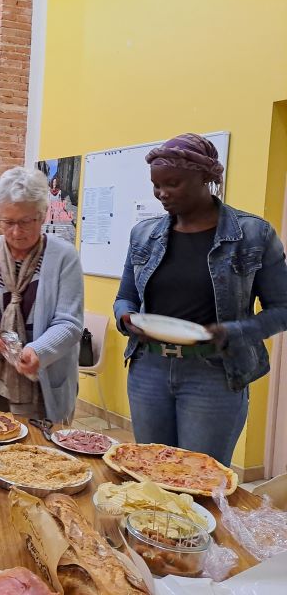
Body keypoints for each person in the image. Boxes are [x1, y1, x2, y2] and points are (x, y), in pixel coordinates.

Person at [114, 133, 287, 466]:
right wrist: (127, 318)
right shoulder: (144, 235)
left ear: (206, 177)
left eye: (173, 183)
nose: (162, 193)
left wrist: (233, 331)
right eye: (156, 185)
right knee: (149, 472)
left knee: (199, 476)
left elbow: (282, 309)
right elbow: (125, 297)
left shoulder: (252, 234)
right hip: (148, 369)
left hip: (214, 372)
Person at [0, 167, 83, 421]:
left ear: (42, 215)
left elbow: (69, 323)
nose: (16, 232)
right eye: (8, 222)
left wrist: (39, 351)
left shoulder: (63, 257)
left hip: (46, 383)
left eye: (26, 222)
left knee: (44, 452)